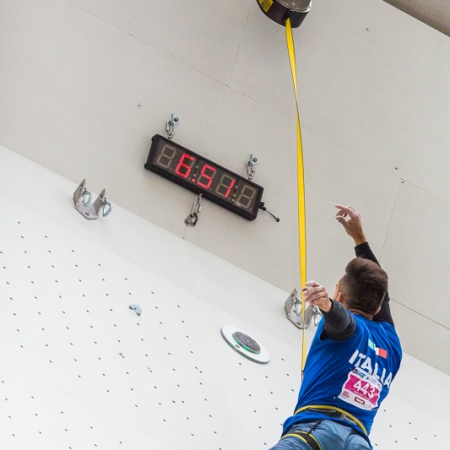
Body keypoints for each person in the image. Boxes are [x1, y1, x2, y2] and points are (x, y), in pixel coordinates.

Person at [270, 205, 402, 450]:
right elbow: (381, 293)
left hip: (317, 430)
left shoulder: (348, 327)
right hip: (359, 442)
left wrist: (328, 306)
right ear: (377, 308)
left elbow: (344, 324)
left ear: (340, 297)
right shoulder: (392, 342)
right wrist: (359, 238)